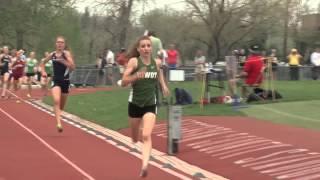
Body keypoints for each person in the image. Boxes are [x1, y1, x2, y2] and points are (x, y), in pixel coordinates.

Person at [121, 36, 169, 177]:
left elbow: (158, 72)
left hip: (150, 104)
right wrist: (136, 76)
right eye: (143, 46)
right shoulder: (134, 62)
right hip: (135, 104)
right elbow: (124, 81)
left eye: (148, 46)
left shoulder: (157, 62)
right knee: (135, 138)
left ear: (151, 48)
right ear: (138, 49)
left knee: (146, 135)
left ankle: (144, 166)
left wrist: (163, 85)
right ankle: (135, 140)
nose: (146, 48)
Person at [41, 36, 75, 132]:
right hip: (56, 80)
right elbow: (42, 63)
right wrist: (43, 72)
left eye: (62, 42)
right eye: (58, 42)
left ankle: (57, 114)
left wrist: (63, 61)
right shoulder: (52, 55)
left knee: (61, 107)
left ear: (64, 44)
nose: (60, 44)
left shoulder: (66, 54)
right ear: (55, 44)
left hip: (65, 81)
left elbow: (73, 67)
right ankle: (59, 123)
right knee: (56, 100)